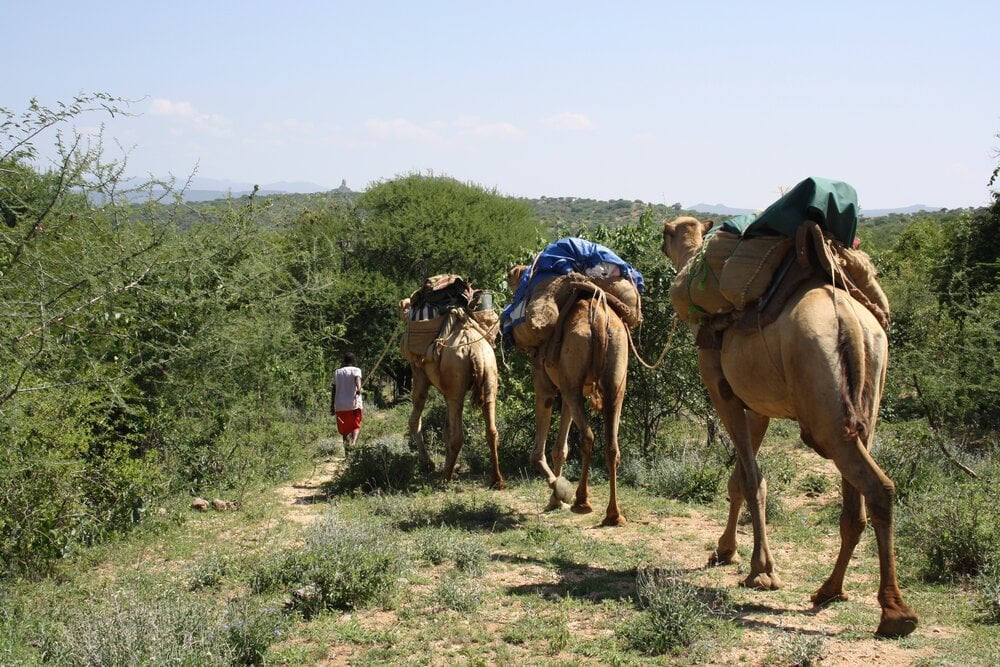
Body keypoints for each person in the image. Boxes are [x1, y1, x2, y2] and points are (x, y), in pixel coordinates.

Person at [331, 352, 363, 451]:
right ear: (353, 361)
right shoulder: (356, 370)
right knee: (355, 426)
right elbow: (357, 378)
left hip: (340, 405)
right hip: (353, 404)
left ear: (344, 361)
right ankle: (353, 443)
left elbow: (334, 389)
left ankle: (347, 455)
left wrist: (332, 405)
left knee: (345, 430)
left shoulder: (337, 372)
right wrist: (359, 388)